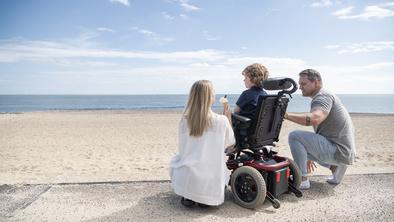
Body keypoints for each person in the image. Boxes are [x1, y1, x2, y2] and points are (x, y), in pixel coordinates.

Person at [285, 69, 356, 190]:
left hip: (338, 150)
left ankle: (302, 180)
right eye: (299, 84)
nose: (300, 87)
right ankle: (336, 168)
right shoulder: (325, 95)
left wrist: (286, 115)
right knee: (301, 146)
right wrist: (308, 154)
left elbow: (315, 118)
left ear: (316, 82)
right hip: (344, 150)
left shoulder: (322, 97)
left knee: (294, 136)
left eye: (303, 84)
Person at [170, 80, 235, 207]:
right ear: (210, 97)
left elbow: (183, 149)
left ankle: (189, 193)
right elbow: (230, 143)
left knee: (175, 160)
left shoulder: (184, 121)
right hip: (211, 179)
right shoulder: (221, 121)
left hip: (188, 175)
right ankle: (203, 198)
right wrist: (228, 119)